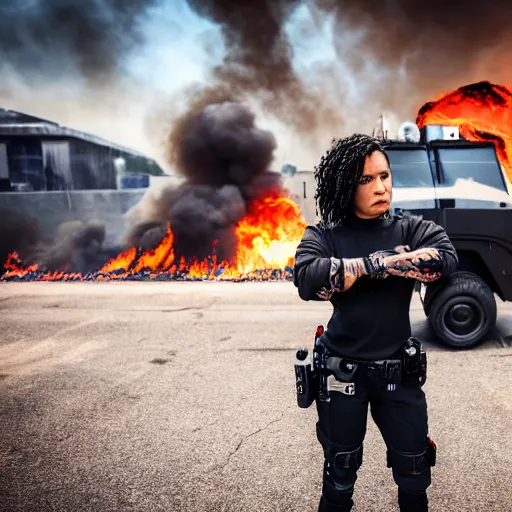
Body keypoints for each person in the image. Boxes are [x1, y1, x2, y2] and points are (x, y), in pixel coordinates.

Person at [293, 134, 458, 512]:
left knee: (415, 475)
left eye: (384, 176)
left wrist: (368, 267)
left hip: (398, 375)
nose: (380, 187)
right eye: (366, 180)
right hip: (341, 375)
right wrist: (376, 264)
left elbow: (445, 258)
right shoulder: (324, 235)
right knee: (339, 477)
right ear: (345, 184)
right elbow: (307, 277)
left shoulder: (411, 229)